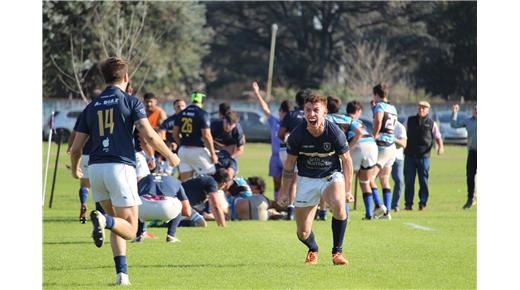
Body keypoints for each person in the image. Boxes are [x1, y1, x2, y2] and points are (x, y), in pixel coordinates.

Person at [69, 56, 180, 286]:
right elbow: (148, 135)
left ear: (106, 78)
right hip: (120, 168)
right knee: (129, 229)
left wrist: (75, 171)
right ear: (126, 77)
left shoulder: (91, 107)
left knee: (117, 223)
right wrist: (170, 155)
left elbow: (75, 148)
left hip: (96, 170)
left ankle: (122, 276)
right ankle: (103, 220)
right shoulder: (131, 101)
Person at [278, 93, 354, 266]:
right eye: (308, 110)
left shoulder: (334, 132)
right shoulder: (297, 135)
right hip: (306, 179)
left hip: (330, 176)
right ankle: (313, 249)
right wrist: (284, 191)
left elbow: (347, 161)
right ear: (303, 111)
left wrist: (348, 189)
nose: (311, 114)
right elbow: (289, 165)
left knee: (338, 204)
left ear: (325, 111)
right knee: (302, 233)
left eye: (316, 110)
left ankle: (337, 253)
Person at [251, 81, 290, 202]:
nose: (279, 113)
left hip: (287, 156)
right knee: (276, 182)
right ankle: (278, 203)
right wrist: (257, 93)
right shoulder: (274, 122)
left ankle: (288, 204)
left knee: (288, 183)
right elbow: (265, 109)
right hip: (274, 157)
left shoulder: (291, 124)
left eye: (281, 111)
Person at [403, 101, 444, 211]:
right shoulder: (409, 120)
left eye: (424, 108)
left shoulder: (431, 123)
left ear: (428, 110)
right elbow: (402, 133)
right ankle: (408, 204)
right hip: (409, 156)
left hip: (424, 157)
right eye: (420, 107)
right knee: (409, 181)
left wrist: (441, 147)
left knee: (423, 181)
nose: (422, 109)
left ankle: (423, 203)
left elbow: (438, 136)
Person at [278, 89, 311, 220]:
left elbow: (280, 134)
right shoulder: (310, 115)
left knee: (286, 178)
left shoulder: (290, 114)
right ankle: (292, 209)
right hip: (301, 151)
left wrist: (288, 140)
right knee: (295, 182)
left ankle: (283, 205)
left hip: (284, 150)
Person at [344, 101, 379, 220]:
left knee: (347, 180)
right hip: (372, 145)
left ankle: (345, 214)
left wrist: (348, 148)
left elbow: (353, 135)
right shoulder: (361, 122)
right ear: (358, 112)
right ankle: (369, 213)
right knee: (365, 181)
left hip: (358, 146)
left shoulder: (345, 119)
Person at [173, 92, 218, 181]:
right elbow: (206, 136)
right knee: (211, 177)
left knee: (186, 182)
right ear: (202, 101)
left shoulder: (181, 113)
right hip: (197, 151)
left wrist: (181, 144)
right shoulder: (203, 114)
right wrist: (213, 154)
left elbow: (175, 134)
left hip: (183, 151)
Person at [134, 174, 191, 243]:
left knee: (137, 203)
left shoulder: (144, 179)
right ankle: (171, 235)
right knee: (179, 204)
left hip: (144, 209)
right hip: (166, 209)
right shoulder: (174, 181)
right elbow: (187, 210)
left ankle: (139, 235)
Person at [371, 84, 398, 219]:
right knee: (384, 179)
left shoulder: (379, 106)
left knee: (369, 178)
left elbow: (378, 120)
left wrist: (374, 134)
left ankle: (379, 204)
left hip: (382, 145)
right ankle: (387, 213)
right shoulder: (393, 108)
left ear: (376, 95)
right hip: (392, 146)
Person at [451, 104, 477, 209]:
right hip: (473, 152)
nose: (477, 111)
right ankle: (470, 198)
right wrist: (454, 113)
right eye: (475, 109)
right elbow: (454, 125)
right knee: (470, 176)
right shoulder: (468, 121)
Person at [390, 120, 407, 212]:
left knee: (399, 181)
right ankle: (378, 204)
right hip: (382, 156)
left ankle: (395, 205)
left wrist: (392, 139)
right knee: (372, 180)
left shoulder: (400, 127)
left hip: (397, 157)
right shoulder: (380, 123)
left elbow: (404, 144)